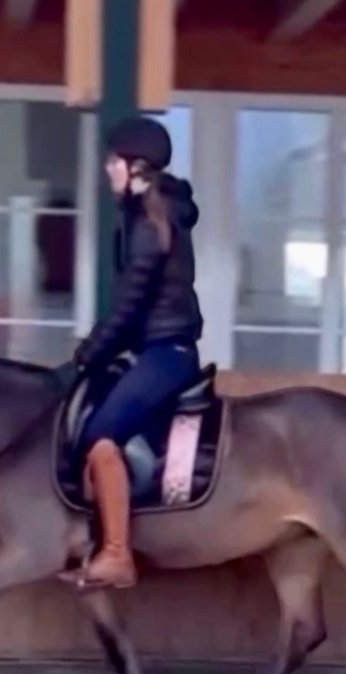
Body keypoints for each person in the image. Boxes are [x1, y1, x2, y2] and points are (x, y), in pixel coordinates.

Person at [67, 115, 204, 590]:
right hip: (158, 346)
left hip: (166, 350)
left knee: (100, 435)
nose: (107, 169)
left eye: (112, 161)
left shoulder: (149, 223)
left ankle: (118, 555)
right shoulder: (148, 215)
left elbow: (128, 308)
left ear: (135, 166)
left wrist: (85, 357)